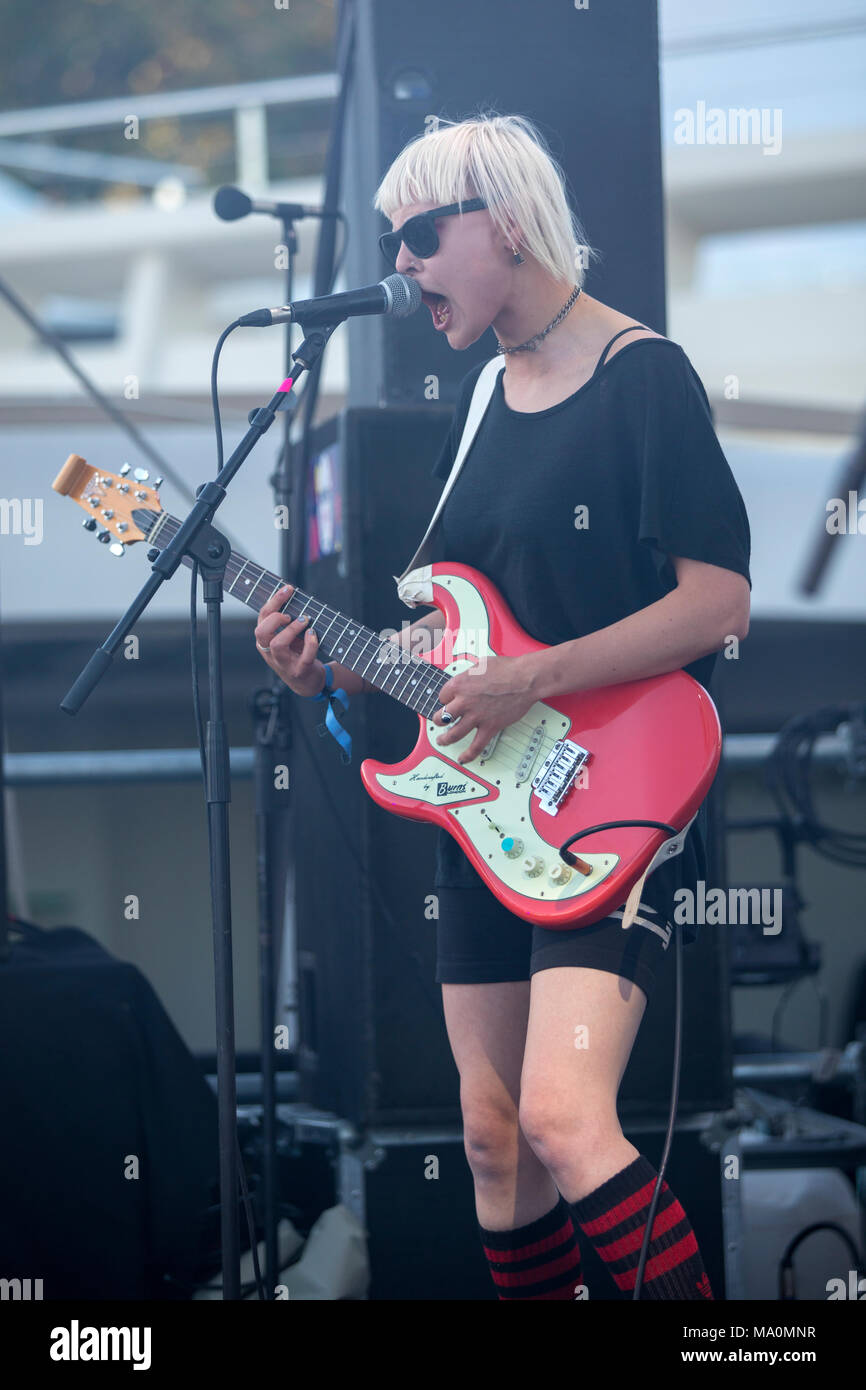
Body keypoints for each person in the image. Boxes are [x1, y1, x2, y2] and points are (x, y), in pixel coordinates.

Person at [254, 113, 751, 1301]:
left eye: (421, 235)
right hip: (490, 815)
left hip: (613, 801)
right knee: (489, 1138)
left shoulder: (645, 376)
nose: (402, 266)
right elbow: (451, 639)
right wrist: (330, 667)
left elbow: (719, 602)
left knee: (566, 1123)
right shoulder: (478, 399)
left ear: (507, 223)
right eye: (391, 242)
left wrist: (530, 677)